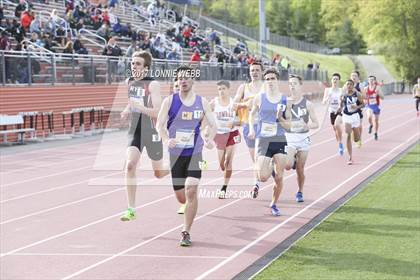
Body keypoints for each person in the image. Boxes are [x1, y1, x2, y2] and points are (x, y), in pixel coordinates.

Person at [156, 65, 217, 246]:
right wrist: (167, 140)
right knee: (182, 196)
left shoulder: (202, 102)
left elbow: (212, 125)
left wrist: (209, 139)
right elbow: (159, 126)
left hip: (195, 152)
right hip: (176, 154)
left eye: (186, 77)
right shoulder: (169, 101)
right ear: (177, 81)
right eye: (179, 78)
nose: (182, 81)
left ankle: (186, 232)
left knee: (191, 189)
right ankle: (188, 204)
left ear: (192, 80)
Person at [119, 51, 169, 221]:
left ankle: (178, 166)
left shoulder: (153, 84)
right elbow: (131, 100)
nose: (134, 66)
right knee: (130, 165)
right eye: (132, 63)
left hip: (152, 131)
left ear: (146, 68)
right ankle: (131, 209)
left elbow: (158, 112)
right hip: (135, 130)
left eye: (138, 64)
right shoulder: (129, 82)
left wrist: (139, 107)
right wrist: (127, 110)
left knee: (159, 173)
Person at [248, 69, 289, 215]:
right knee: (263, 177)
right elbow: (251, 115)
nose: (270, 81)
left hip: (279, 139)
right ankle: (266, 165)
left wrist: (281, 118)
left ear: (277, 80)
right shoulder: (259, 97)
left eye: (272, 78)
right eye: (267, 79)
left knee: (279, 176)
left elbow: (288, 122)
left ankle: (274, 204)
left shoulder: (284, 99)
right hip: (263, 139)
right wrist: (252, 129)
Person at [284, 75, 319, 203]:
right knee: (287, 165)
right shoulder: (285, 102)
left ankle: (300, 191)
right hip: (290, 138)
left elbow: (316, 123)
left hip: (303, 139)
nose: (292, 85)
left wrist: (307, 125)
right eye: (290, 83)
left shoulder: (308, 104)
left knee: (300, 169)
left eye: (294, 83)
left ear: (300, 85)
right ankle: (291, 161)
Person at [233, 62, 264, 198]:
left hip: (265, 125)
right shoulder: (243, 87)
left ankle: (257, 183)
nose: (254, 72)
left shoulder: (266, 86)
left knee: (262, 156)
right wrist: (245, 103)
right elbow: (233, 105)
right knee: (255, 158)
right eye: (252, 70)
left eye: (257, 70)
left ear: (262, 72)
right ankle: (257, 181)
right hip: (248, 125)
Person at [210, 80, 240, 199]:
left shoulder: (234, 104)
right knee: (222, 165)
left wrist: (233, 122)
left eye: (223, 89)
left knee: (228, 162)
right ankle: (223, 169)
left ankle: (224, 187)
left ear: (228, 90)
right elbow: (205, 115)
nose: (221, 91)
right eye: (219, 89)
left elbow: (241, 121)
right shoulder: (214, 103)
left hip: (232, 134)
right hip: (219, 135)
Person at [339, 80, 364, 165]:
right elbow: (341, 105)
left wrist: (356, 106)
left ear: (353, 86)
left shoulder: (357, 94)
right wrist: (340, 106)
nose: (349, 86)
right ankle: (350, 157)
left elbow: (363, 104)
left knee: (356, 139)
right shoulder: (343, 95)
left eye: (350, 84)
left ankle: (356, 135)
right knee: (348, 134)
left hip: (355, 117)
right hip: (346, 116)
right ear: (345, 86)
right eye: (347, 84)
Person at [323, 73, 344, 155]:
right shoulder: (327, 90)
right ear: (331, 80)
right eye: (333, 79)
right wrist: (328, 97)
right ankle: (340, 144)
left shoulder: (341, 90)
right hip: (331, 112)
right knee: (335, 130)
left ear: (339, 81)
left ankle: (341, 144)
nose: (335, 80)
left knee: (337, 124)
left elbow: (343, 102)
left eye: (336, 79)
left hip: (339, 111)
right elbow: (323, 102)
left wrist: (340, 105)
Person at [363, 75, 384, 140]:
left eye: (372, 80)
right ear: (368, 81)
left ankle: (375, 133)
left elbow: (382, 97)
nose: (371, 81)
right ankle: (371, 125)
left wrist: (378, 94)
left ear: (375, 81)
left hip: (376, 106)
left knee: (376, 120)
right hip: (369, 105)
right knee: (369, 117)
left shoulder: (377, 88)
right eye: (370, 80)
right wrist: (365, 101)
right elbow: (363, 97)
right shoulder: (366, 88)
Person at [349, 70, 364, 147]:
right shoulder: (347, 85)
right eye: (352, 76)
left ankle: (359, 139)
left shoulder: (360, 86)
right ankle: (354, 139)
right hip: (349, 108)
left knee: (359, 125)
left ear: (358, 78)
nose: (353, 77)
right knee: (351, 126)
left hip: (358, 107)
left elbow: (363, 96)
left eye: (355, 76)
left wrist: (356, 91)